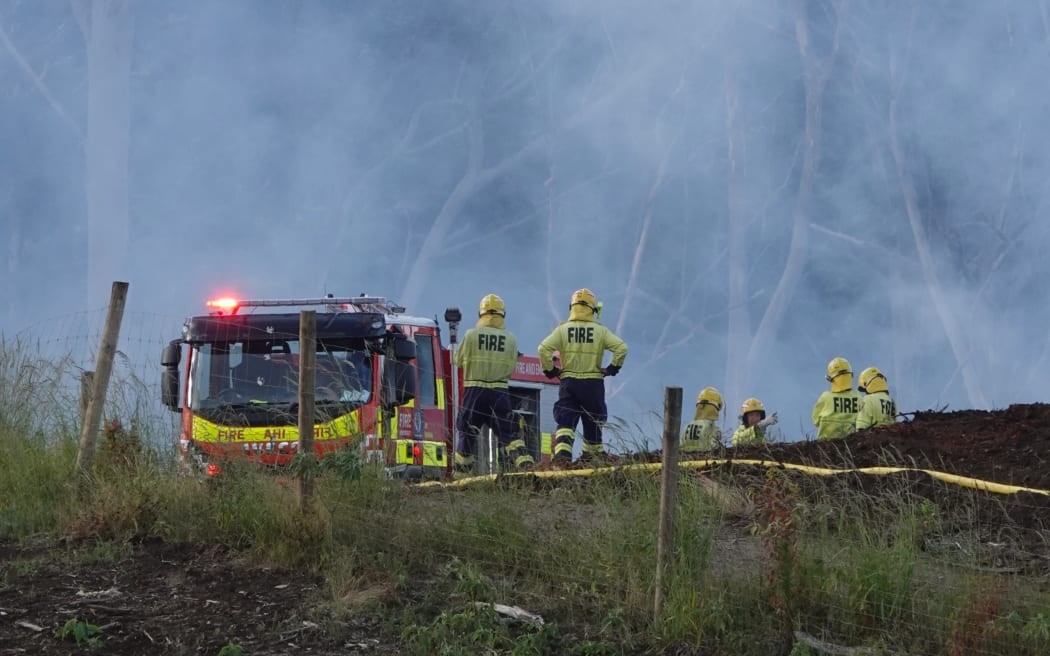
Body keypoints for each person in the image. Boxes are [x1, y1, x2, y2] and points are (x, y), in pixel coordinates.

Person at [537, 288, 628, 466]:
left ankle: (562, 460)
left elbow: (543, 349)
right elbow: (621, 348)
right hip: (593, 384)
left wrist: (551, 371)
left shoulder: (562, 330)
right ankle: (592, 461)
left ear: (572, 307)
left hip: (569, 382)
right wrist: (611, 369)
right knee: (593, 421)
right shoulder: (600, 331)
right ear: (593, 309)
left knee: (565, 421)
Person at [453, 294, 534, 474]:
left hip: (475, 391)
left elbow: (457, 360)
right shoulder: (511, 339)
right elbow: (512, 366)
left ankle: (460, 478)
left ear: (480, 314)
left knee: (467, 433)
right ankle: (526, 467)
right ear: (502, 314)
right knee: (510, 433)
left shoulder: (471, 335)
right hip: (500, 391)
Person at [812, 356, 861, 440]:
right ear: (850, 375)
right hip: (852, 444)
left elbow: (815, 421)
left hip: (825, 445)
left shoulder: (825, 397)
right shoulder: (858, 397)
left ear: (830, 378)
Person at [681, 387, 724, 455]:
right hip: (706, 462)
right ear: (715, 407)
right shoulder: (713, 428)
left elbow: (680, 448)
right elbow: (714, 449)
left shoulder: (687, 427)